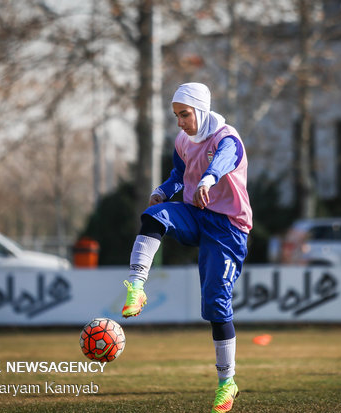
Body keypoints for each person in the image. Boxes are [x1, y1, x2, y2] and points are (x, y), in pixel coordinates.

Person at [121, 82, 252, 412]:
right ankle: (136, 287)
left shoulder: (227, 138)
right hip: (197, 214)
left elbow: (223, 162)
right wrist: (163, 192)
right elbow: (178, 175)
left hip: (228, 229)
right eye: (176, 115)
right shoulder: (182, 141)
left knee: (216, 304)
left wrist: (208, 179)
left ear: (202, 110)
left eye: (185, 114)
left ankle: (227, 383)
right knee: (153, 216)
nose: (179, 121)